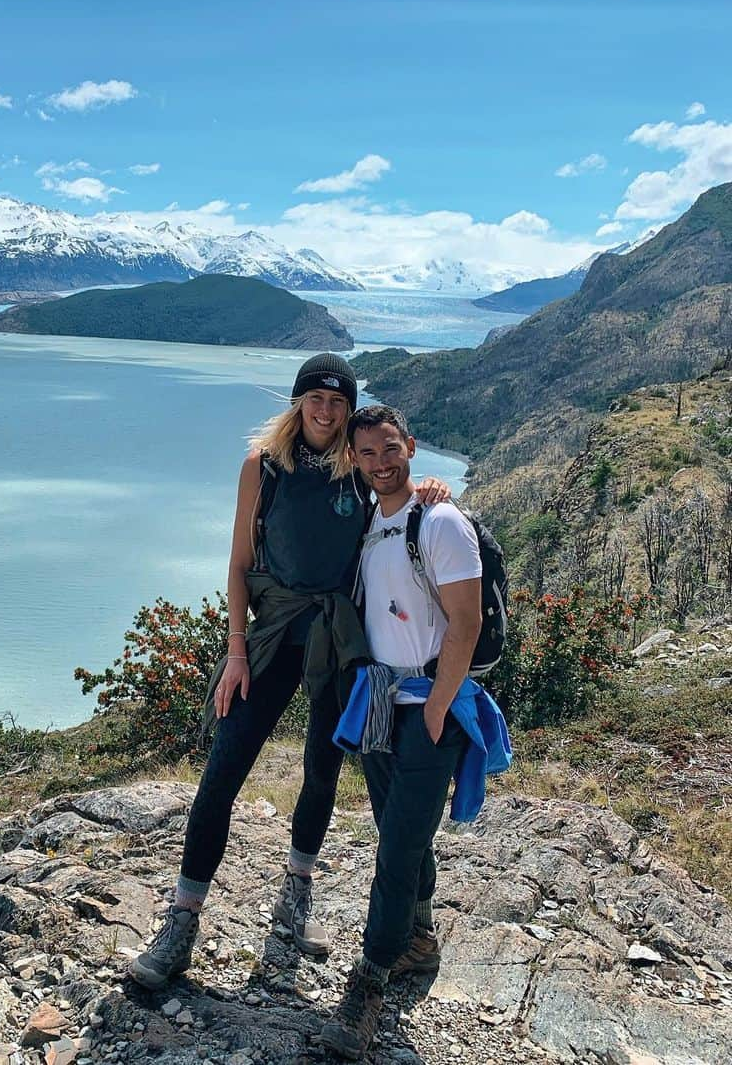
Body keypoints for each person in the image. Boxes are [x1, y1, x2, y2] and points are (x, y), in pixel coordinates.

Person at [129, 356, 449, 991]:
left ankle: (295, 895)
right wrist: (235, 651)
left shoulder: (357, 470)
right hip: (273, 634)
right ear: (298, 402)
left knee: (321, 771)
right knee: (224, 768)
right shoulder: (263, 467)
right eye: (315, 399)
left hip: (337, 638)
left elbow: (396, 486)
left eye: (337, 401)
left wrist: (430, 489)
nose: (326, 412)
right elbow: (240, 560)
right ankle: (182, 918)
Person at [320, 404, 491, 1060]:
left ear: (410, 446)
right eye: (366, 454)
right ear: (355, 462)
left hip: (429, 702)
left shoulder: (440, 519)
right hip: (383, 698)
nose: (380, 462)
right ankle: (419, 938)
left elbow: (466, 622)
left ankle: (370, 974)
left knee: (394, 844)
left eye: (389, 449)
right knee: (400, 823)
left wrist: (440, 705)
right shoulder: (370, 523)